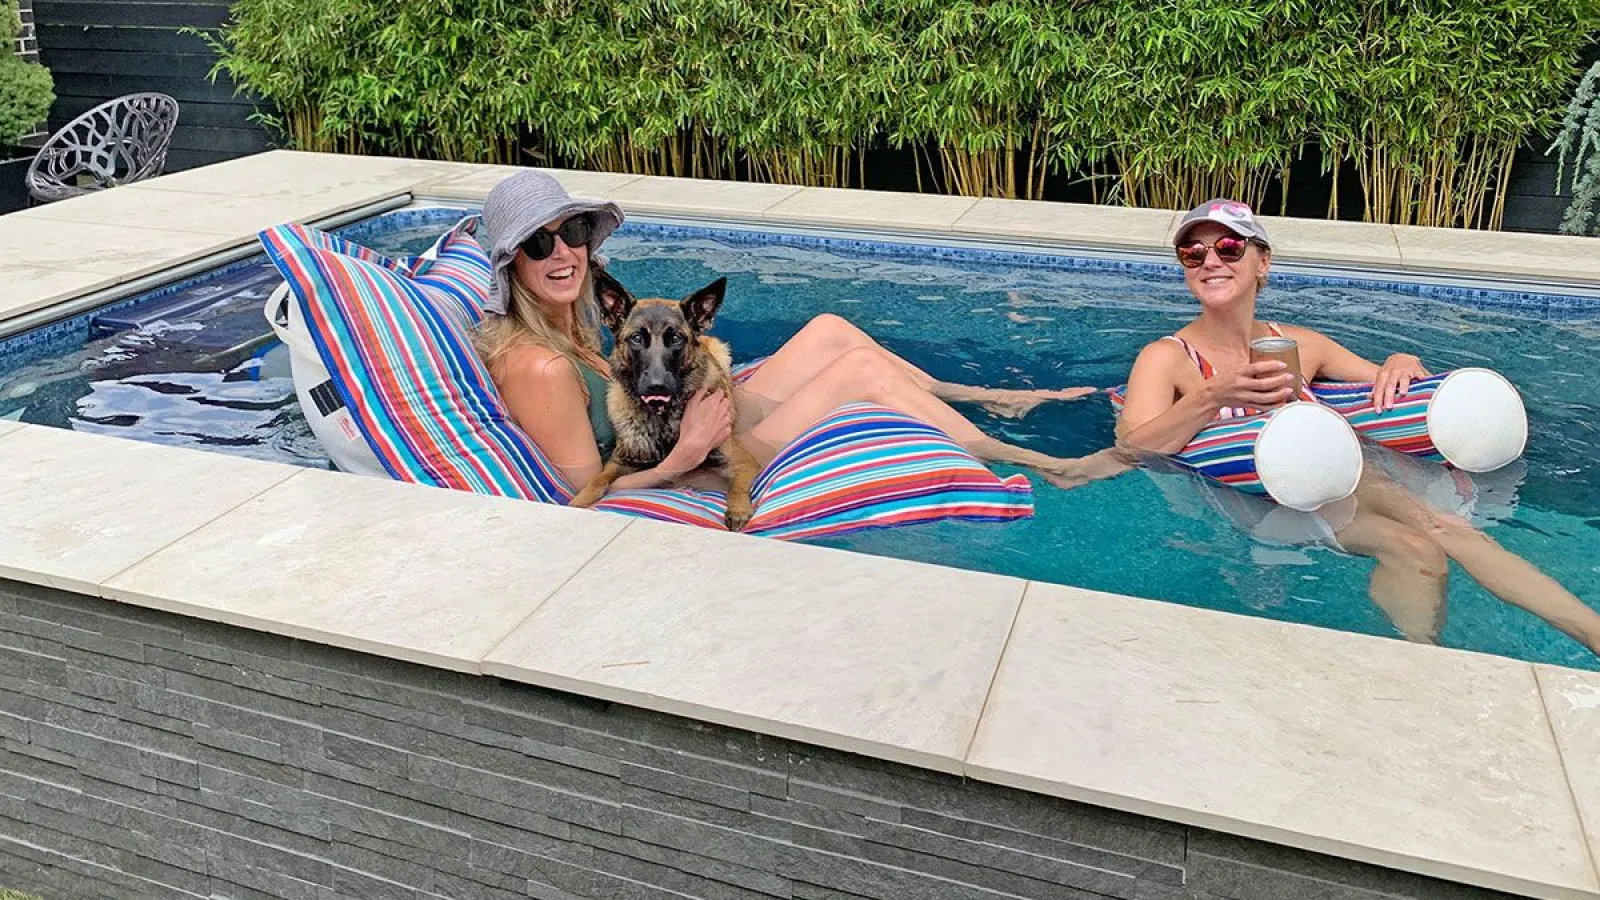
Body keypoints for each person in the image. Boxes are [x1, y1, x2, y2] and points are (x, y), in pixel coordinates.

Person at [1116, 198, 1600, 654]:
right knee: (1426, 537)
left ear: (1262, 262)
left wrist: (1400, 358)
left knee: (1433, 540)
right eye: (1192, 252)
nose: (1210, 261)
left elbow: (1389, 377)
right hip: (1257, 502)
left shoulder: (1298, 344)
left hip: (1339, 484)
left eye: (1228, 247)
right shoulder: (1166, 358)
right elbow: (1133, 446)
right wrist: (1210, 397)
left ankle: (1450, 660)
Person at [473, 170, 1132, 502]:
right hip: (695, 454)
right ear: (512, 262)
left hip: (692, 415)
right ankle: (1048, 466)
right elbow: (575, 497)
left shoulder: (574, 326)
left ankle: (982, 396)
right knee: (861, 379)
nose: (563, 253)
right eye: (538, 242)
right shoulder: (539, 368)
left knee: (830, 329)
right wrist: (688, 452)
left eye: (574, 233)